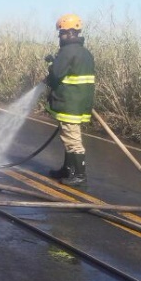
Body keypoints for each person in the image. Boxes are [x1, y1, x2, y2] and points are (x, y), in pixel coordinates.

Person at [44, 14, 96, 186]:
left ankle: (80, 175)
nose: (60, 37)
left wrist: (52, 65)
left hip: (69, 103)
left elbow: (56, 75)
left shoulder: (67, 51)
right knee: (68, 137)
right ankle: (68, 170)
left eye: (61, 33)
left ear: (69, 33)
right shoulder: (85, 53)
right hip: (80, 103)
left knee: (73, 140)